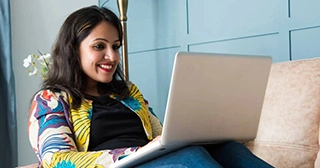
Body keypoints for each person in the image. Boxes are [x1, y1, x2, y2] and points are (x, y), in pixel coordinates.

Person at [28, 5, 274, 168]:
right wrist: (132, 153)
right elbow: (56, 159)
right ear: (73, 49)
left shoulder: (128, 91)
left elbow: (163, 136)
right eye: (99, 46)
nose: (112, 56)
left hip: (150, 161)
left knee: (229, 149)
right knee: (190, 159)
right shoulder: (50, 99)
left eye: (115, 46)